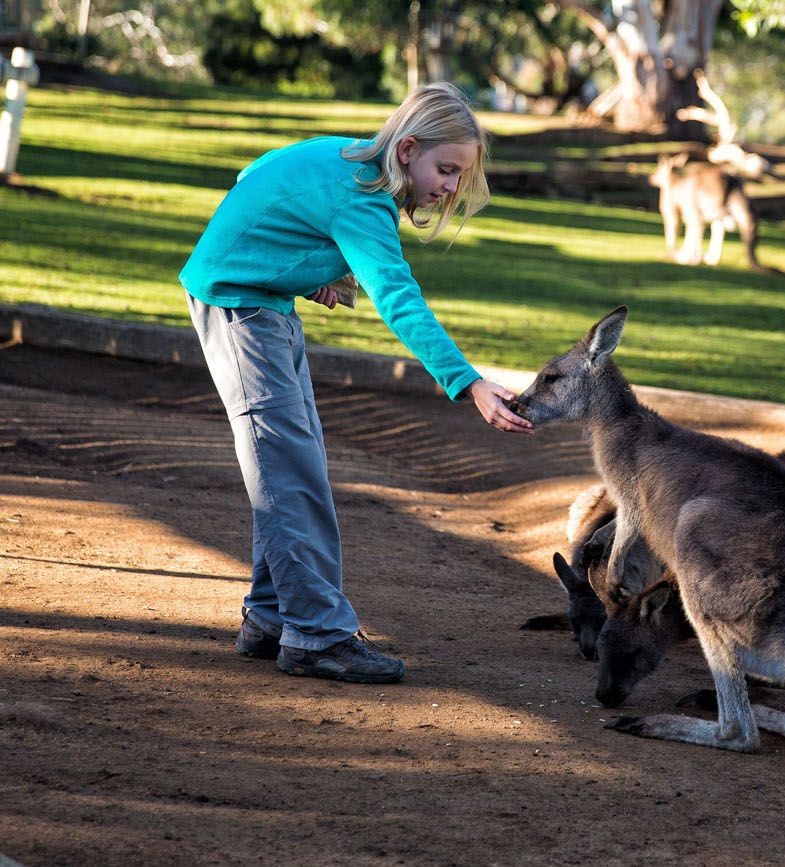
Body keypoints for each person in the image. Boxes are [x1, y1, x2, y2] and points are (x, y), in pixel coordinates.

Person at [180, 82, 533, 685]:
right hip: (240, 311)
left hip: (265, 304)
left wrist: (296, 261)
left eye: (458, 175)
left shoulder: (346, 158)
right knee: (290, 471)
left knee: (296, 460)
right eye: (445, 169)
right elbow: (398, 297)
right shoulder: (362, 201)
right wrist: (468, 382)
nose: (449, 186)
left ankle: (270, 618)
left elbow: (255, 175)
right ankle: (317, 635)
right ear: (407, 150)